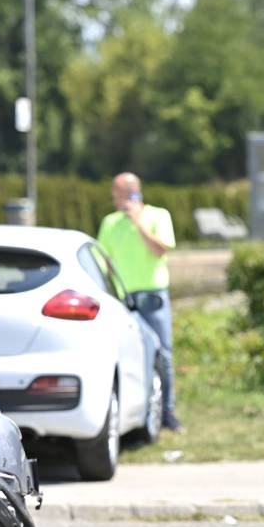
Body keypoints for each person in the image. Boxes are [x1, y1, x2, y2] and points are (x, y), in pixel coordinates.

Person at [97, 172, 182, 433]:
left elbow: (160, 249)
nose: (114, 199)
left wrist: (138, 223)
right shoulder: (110, 222)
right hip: (123, 299)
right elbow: (103, 262)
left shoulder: (159, 216)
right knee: (126, 356)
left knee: (163, 353)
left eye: (117, 194)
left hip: (153, 296)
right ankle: (135, 412)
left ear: (131, 193)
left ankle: (167, 411)